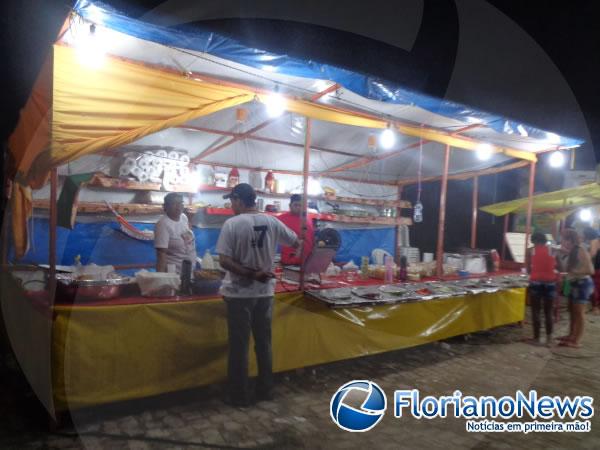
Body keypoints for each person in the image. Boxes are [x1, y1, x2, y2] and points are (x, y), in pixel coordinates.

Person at [216, 183, 301, 406]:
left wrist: (250, 273)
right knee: (264, 343)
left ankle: (239, 395)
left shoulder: (232, 224)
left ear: (240, 201)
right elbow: (296, 242)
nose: (231, 205)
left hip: (239, 294)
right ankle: (266, 389)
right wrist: (274, 260)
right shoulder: (272, 221)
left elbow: (224, 261)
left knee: (239, 346)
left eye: (232, 201)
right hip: (265, 293)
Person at [556, 229, 594, 348]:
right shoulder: (570, 251)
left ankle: (576, 340)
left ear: (570, 240)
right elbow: (565, 269)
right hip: (573, 283)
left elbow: (590, 270)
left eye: (564, 239)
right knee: (572, 311)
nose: (562, 241)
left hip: (582, 283)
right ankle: (571, 335)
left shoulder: (580, 250)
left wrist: (572, 272)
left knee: (579, 313)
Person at [525, 232, 558, 345]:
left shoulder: (530, 250)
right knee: (548, 312)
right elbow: (560, 266)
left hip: (536, 282)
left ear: (534, 240)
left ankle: (536, 339)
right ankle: (549, 339)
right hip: (550, 282)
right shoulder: (552, 250)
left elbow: (528, 268)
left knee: (536, 311)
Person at [154, 193, 197, 273]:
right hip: (174, 275)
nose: (179, 207)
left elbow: (187, 232)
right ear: (165, 206)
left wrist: (190, 219)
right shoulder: (163, 224)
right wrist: (161, 279)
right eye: (174, 203)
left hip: (189, 271)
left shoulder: (183, 217)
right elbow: (161, 255)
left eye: (181, 203)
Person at [276, 194, 315, 266]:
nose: (298, 207)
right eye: (296, 205)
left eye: (300, 205)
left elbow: (311, 239)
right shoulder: (280, 219)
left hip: (306, 262)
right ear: (290, 205)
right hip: (289, 262)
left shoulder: (308, 218)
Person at [583, 227, 600, 314]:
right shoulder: (598, 240)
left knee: (593, 287)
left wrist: (584, 260)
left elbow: (593, 253)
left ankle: (595, 307)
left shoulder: (594, 241)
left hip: (596, 267)